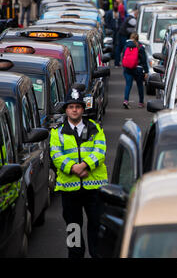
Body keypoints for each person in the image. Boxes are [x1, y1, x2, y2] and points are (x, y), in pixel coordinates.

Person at [50, 88, 108, 258]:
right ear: (66, 110)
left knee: (97, 226)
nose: (74, 109)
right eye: (71, 106)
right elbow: (56, 155)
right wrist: (74, 169)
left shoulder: (95, 128)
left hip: (94, 189)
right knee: (73, 228)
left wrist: (84, 166)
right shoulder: (57, 133)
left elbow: (100, 151)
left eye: (77, 106)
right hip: (70, 191)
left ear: (83, 109)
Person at [121, 33, 149, 109]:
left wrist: (124, 67)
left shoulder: (126, 46)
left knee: (128, 85)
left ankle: (126, 100)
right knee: (140, 86)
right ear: (138, 38)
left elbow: (123, 57)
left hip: (128, 68)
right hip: (138, 68)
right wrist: (146, 71)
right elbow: (144, 60)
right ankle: (140, 102)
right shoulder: (140, 47)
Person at [104, 1, 123, 67]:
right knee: (109, 47)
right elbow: (107, 22)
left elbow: (121, 22)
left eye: (116, 5)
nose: (115, 6)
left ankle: (116, 62)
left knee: (117, 46)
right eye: (114, 5)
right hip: (111, 32)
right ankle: (107, 62)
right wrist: (110, 29)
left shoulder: (119, 13)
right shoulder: (109, 13)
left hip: (117, 32)